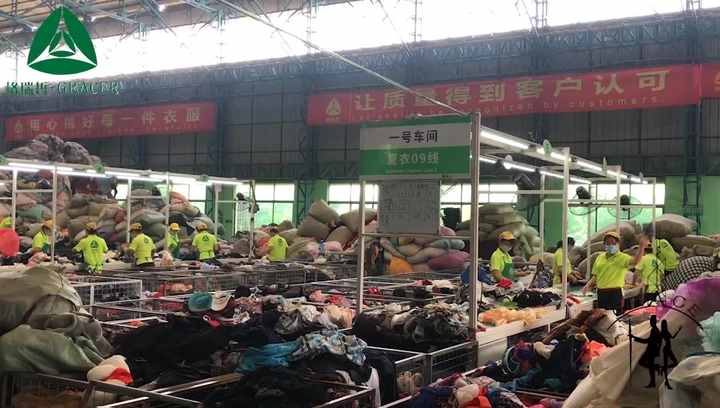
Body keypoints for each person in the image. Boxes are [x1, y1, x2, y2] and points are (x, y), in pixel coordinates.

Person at [583, 231, 644, 313]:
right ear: (604, 244)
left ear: (618, 244)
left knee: (614, 318)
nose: (610, 245)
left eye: (613, 243)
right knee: (602, 317)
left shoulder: (622, 257)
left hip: (615, 293)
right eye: (608, 243)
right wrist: (587, 285)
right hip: (601, 293)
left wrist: (642, 247)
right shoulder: (600, 257)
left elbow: (635, 261)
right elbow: (596, 275)